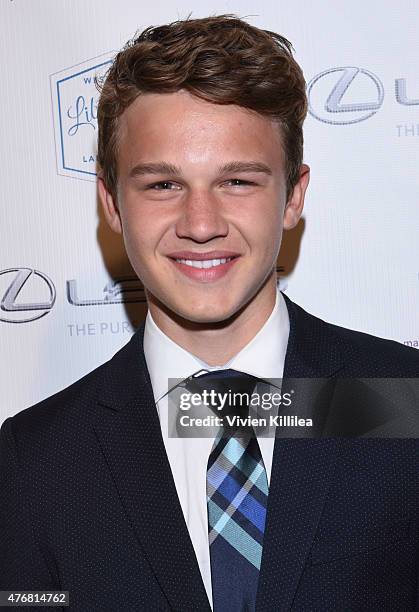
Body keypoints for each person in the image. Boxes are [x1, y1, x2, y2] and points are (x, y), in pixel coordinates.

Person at [1, 14, 418, 612]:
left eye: (238, 181)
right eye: (163, 185)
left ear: (294, 196)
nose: (201, 225)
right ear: (111, 202)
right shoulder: (39, 458)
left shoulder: (402, 403)